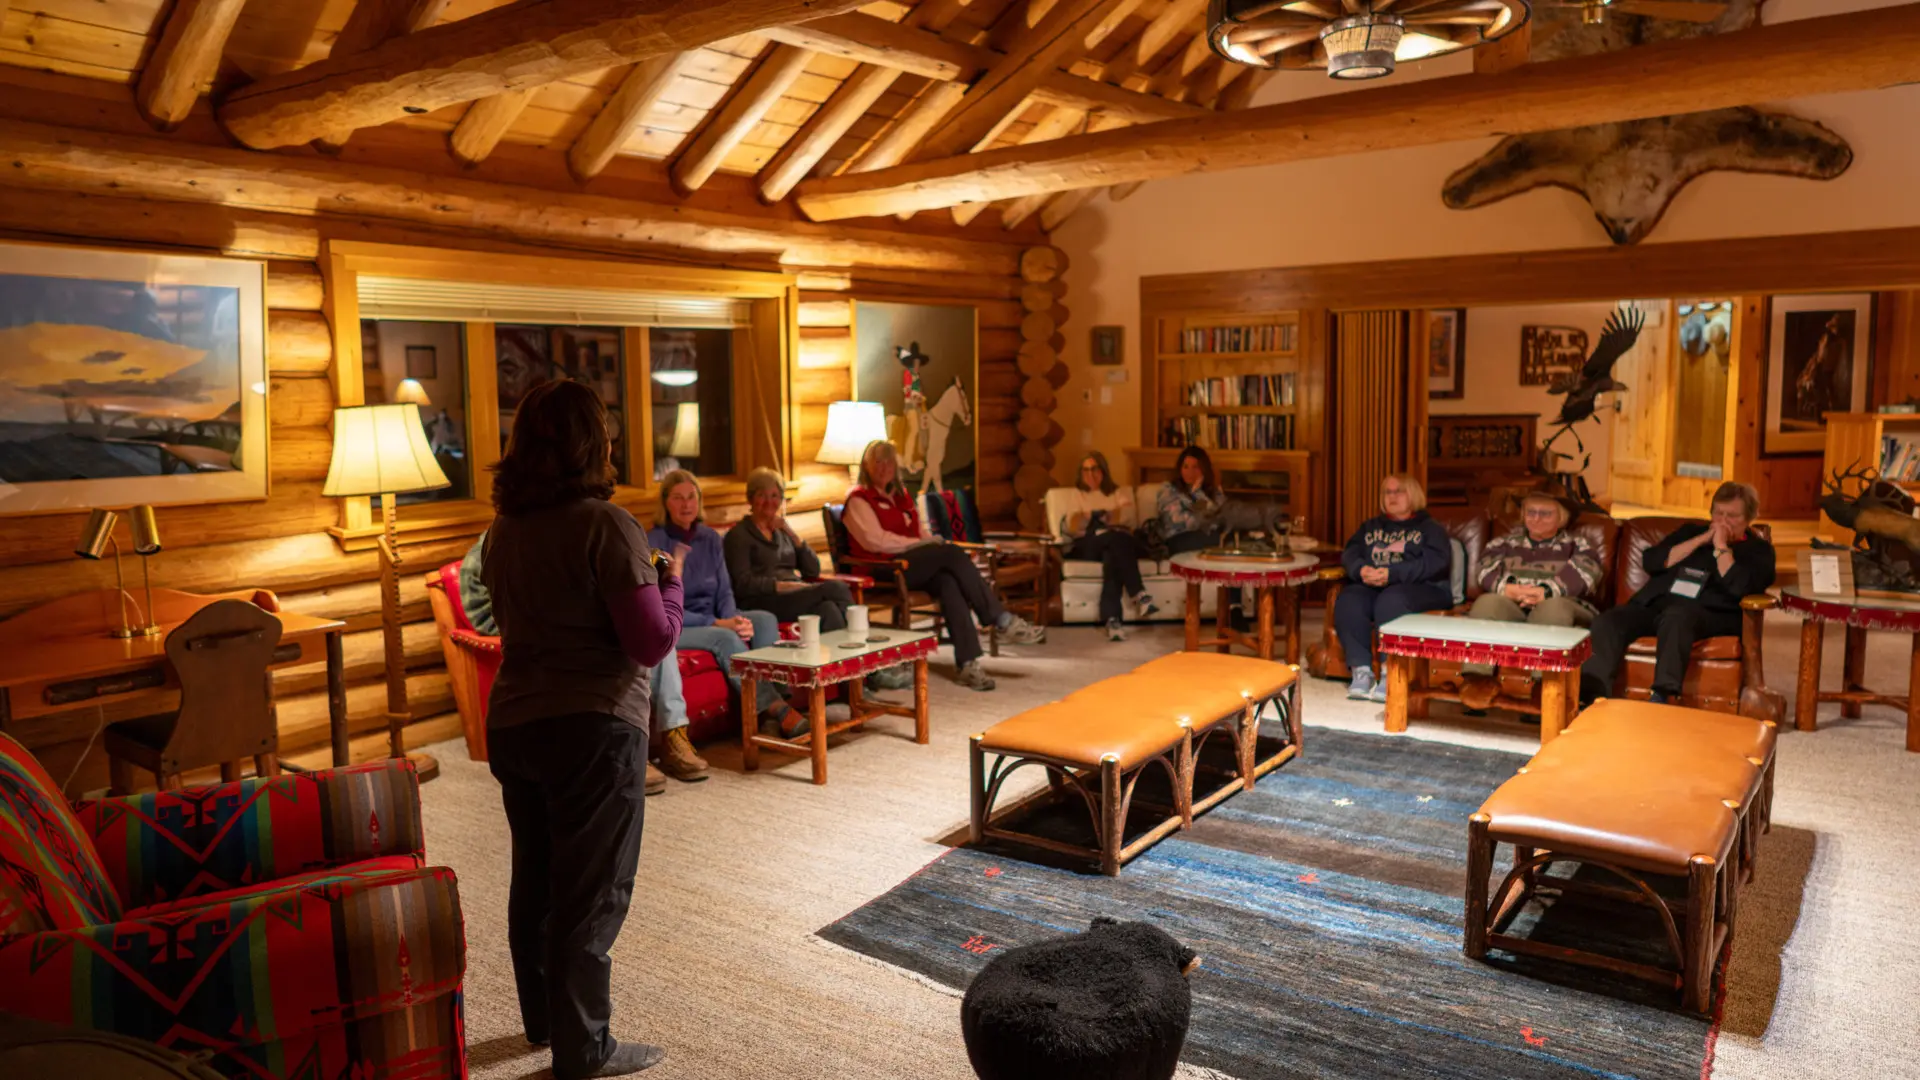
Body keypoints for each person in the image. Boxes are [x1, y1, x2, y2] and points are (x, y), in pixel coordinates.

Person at [478, 379, 680, 1078]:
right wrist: (672, 586)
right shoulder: (606, 525)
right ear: (592, 444)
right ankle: (584, 1048)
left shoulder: (503, 530)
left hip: (515, 724)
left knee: (534, 879)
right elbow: (650, 642)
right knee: (593, 892)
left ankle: (543, 1022)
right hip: (593, 729)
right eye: (609, 431)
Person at [842, 440, 1045, 691]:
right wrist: (918, 544)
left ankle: (968, 663)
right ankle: (999, 618)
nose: (884, 467)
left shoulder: (901, 497)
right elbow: (876, 541)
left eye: (889, 461)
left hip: (910, 565)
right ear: (867, 465)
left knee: (948, 581)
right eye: (878, 461)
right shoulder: (858, 500)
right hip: (883, 569)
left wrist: (930, 541)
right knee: (950, 553)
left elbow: (920, 531)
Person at [1580, 482, 1773, 705]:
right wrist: (1701, 540)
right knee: (1609, 621)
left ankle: (1662, 695)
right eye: (1718, 513)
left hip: (1711, 614)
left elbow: (1739, 585)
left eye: (1732, 516)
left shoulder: (1759, 550)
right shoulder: (1691, 533)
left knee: (1677, 616)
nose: (1722, 521)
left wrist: (1720, 546)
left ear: (1748, 519)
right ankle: (1591, 697)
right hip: (1657, 604)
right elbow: (1652, 560)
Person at [725, 468, 912, 691]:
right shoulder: (739, 535)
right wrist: (783, 586)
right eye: (762, 495)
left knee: (829, 610)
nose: (769, 501)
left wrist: (791, 533)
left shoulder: (781, 531)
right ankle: (873, 667)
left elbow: (811, 567)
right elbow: (743, 583)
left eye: (775, 495)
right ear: (751, 498)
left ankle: (850, 688)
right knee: (837, 589)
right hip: (764, 600)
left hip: (796, 594)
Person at [649, 470, 797, 742]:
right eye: (678, 498)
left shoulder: (710, 538)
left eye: (692, 497)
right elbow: (664, 603)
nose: (686, 505)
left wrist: (734, 619)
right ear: (665, 503)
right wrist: (721, 624)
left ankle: (771, 711)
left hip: (714, 617)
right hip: (678, 623)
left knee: (764, 619)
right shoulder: (655, 543)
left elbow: (724, 589)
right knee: (724, 637)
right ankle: (777, 709)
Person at [1458, 487, 1605, 708]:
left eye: (1545, 513)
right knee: (1487, 602)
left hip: (1563, 606)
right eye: (1531, 512)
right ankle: (1477, 679)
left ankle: (1543, 685)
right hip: (1514, 604)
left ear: (1561, 517)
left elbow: (1588, 573)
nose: (1536, 518)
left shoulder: (1577, 544)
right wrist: (1508, 590)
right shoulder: (1505, 542)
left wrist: (1546, 592)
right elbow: (1485, 569)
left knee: (1552, 608)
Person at [1334, 473, 1452, 703]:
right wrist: (1362, 570)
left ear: (1413, 495)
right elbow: (1350, 553)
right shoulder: (1370, 527)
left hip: (1423, 587)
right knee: (1349, 598)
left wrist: (1392, 573)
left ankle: (1391, 671)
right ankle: (1362, 672)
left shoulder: (1430, 528)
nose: (1392, 496)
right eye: (1388, 492)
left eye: (1399, 491)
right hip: (1375, 583)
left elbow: (1435, 563)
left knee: (1392, 599)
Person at [1056, 451, 1160, 641]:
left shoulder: (1116, 493)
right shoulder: (1077, 494)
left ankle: (1113, 620)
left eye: (1095, 469)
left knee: (1113, 553)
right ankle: (1139, 594)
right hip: (1088, 544)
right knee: (1116, 539)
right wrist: (1093, 517)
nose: (1090, 475)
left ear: (1103, 471)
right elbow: (1073, 526)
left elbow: (1129, 517)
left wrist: (1106, 516)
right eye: (1085, 470)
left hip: (1115, 542)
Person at [1155, 446, 1224, 555]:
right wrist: (1205, 517)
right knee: (1216, 538)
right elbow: (1176, 521)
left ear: (1204, 469)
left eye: (1195, 467)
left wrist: (1198, 494)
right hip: (1177, 538)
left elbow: (1222, 517)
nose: (1190, 472)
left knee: (1226, 537)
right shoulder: (1169, 490)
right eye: (1185, 467)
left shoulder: (1213, 491)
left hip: (1206, 535)